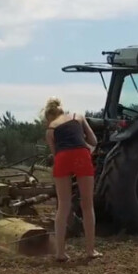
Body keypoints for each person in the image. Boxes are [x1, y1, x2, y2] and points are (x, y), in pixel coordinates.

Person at [43, 97, 101, 261]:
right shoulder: (78, 116)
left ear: (50, 116)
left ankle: (60, 253)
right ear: (62, 109)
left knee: (63, 206)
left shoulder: (50, 130)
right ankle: (90, 251)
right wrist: (85, 145)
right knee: (87, 205)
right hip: (81, 156)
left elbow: (56, 155)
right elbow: (94, 141)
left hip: (62, 158)